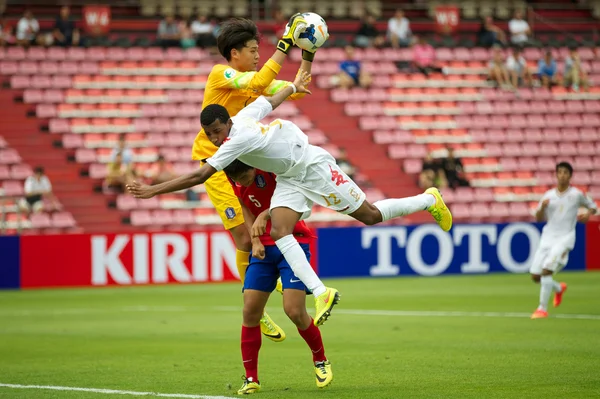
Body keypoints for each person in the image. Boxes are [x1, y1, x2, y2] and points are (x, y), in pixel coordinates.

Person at [126, 71, 452, 324]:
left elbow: (200, 176)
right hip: (290, 176)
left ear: (227, 122)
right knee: (280, 231)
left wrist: (151, 191)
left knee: (369, 215)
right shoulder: (242, 119)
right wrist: (293, 85)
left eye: (217, 131)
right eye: (209, 135)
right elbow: (270, 101)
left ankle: (428, 199)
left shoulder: (237, 140)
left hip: (311, 165)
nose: (215, 139)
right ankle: (323, 293)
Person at [185, 16, 315, 338]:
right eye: (253, 50)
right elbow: (257, 84)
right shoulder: (221, 75)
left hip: (240, 159)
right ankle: (256, 306)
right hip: (214, 162)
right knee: (244, 237)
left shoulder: (250, 79)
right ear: (234, 53)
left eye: (260, 50)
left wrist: (304, 66)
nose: (258, 55)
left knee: (269, 222)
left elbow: (289, 91)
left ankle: (277, 286)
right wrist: (285, 44)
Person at [223, 160, 333, 394]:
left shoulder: (272, 168)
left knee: (294, 311)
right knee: (250, 311)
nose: (242, 183)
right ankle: (251, 378)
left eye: (245, 178)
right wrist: (253, 240)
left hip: (292, 241)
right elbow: (244, 206)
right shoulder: (234, 176)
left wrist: (266, 213)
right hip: (263, 249)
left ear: (254, 167)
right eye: (238, 180)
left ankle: (320, 360)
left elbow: (294, 199)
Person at [530, 162, 597, 319]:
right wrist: (541, 209)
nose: (562, 175)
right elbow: (539, 218)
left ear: (570, 175)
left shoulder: (576, 194)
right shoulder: (548, 196)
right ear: (556, 174)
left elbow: (593, 207)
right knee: (535, 276)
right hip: (547, 238)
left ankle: (542, 309)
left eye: (565, 172)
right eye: (559, 172)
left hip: (565, 238)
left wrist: (588, 214)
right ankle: (559, 288)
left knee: (547, 270)